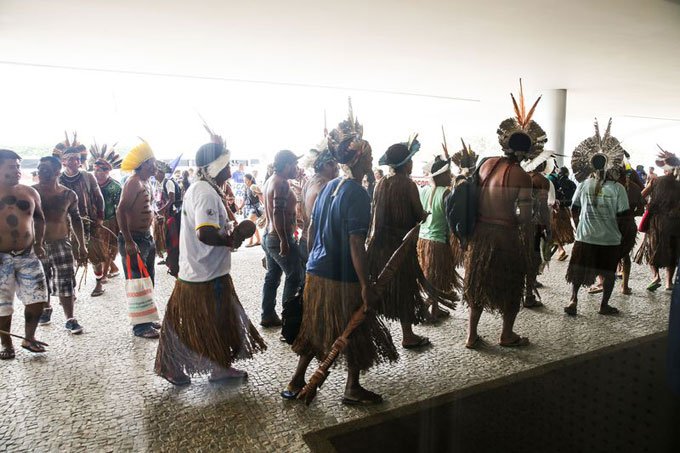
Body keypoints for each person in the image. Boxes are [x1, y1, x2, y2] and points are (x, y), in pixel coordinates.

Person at [286, 128, 398, 405]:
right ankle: (352, 388)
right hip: (343, 277)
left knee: (316, 326)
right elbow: (356, 243)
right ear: (359, 160)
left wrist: (312, 266)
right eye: (369, 157)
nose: (372, 163)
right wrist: (366, 286)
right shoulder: (357, 193)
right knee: (355, 330)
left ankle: (297, 379)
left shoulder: (328, 187)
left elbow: (311, 231)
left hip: (317, 272)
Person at [155, 140, 266, 386]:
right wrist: (232, 239)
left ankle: (217, 367)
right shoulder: (204, 192)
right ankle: (171, 365)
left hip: (206, 273)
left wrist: (232, 233)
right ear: (217, 167)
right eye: (227, 164)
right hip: (203, 275)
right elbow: (204, 233)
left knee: (214, 324)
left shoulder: (205, 188)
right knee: (192, 324)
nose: (231, 168)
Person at [464, 84, 544, 349]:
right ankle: (506, 334)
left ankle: (471, 335)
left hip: (480, 235)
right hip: (505, 236)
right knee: (511, 285)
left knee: (477, 283)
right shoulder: (521, 175)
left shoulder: (487, 164)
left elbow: (474, 195)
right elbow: (524, 215)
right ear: (525, 152)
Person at [368, 138, 447, 349]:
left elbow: (375, 216)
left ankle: (369, 330)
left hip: (380, 247)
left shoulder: (380, 184)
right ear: (406, 164)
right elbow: (418, 214)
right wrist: (424, 215)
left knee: (380, 290)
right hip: (401, 247)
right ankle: (407, 335)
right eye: (411, 160)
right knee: (404, 290)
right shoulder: (408, 185)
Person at [565, 120, 629, 316]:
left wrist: (580, 226)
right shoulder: (618, 189)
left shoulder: (584, 184)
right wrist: (619, 234)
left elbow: (574, 208)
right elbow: (624, 217)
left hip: (585, 237)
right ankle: (603, 306)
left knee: (577, 271)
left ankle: (573, 300)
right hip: (609, 240)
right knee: (608, 272)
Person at [0, 149, 48, 359]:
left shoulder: (30, 192)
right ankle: (6, 344)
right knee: (2, 304)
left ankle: (29, 337)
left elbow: (40, 218)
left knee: (38, 298)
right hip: (1, 258)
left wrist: (39, 243)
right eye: (12, 166)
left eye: (18, 166)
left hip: (27, 255)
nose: (18, 170)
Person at [33, 156, 87, 333]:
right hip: (35, 244)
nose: (41, 173)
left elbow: (76, 219)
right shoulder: (30, 193)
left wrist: (82, 245)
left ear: (57, 172)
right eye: (40, 170)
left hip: (61, 243)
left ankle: (70, 318)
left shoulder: (68, 195)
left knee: (65, 281)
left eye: (46, 170)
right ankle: (45, 309)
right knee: (41, 280)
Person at [117, 141, 159, 339]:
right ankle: (140, 327)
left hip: (146, 237)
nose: (155, 166)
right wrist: (128, 241)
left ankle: (148, 319)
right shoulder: (132, 182)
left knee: (148, 279)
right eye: (152, 162)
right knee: (137, 281)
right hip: (133, 238)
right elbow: (121, 210)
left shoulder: (146, 181)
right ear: (143, 165)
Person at [260, 150, 303, 327]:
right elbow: (278, 213)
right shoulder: (282, 183)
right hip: (278, 238)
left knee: (273, 276)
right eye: (294, 164)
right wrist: (284, 240)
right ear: (287, 165)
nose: (296, 168)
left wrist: (296, 221)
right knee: (295, 275)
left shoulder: (271, 180)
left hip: (269, 235)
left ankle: (268, 314)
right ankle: (289, 321)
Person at [417, 155, 460, 321]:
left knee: (431, 276)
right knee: (436, 278)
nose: (450, 176)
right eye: (448, 173)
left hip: (423, 240)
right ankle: (424, 307)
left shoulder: (424, 190)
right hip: (438, 242)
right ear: (441, 176)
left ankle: (435, 308)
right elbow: (451, 220)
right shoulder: (447, 193)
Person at [58, 146, 105, 274]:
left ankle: (99, 281)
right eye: (71, 159)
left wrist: (100, 217)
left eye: (77, 159)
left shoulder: (87, 176)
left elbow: (99, 197)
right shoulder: (59, 180)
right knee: (73, 253)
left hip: (89, 220)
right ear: (63, 161)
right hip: (69, 224)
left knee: (95, 253)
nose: (75, 162)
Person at [521, 151, 554, 308]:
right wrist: (548, 226)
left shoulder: (520, 177)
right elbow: (542, 206)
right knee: (533, 258)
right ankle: (528, 295)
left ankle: (518, 292)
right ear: (539, 163)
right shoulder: (542, 181)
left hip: (518, 224)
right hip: (534, 226)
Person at [89, 145, 123, 297]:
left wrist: (121, 224)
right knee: (97, 248)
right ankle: (112, 269)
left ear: (107, 171)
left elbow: (120, 207)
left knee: (108, 247)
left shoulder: (115, 187)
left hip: (110, 220)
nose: (96, 173)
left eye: (100, 170)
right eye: (95, 170)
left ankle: (104, 273)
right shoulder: (90, 184)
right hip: (93, 220)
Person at [644, 150, 680, 291]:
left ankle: (655, 276)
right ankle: (668, 283)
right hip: (675, 223)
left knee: (652, 248)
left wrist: (648, 204)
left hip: (657, 222)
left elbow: (642, 195)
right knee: (672, 249)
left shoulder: (655, 181)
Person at [299, 145, 338, 264]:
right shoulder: (325, 186)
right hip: (316, 244)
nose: (337, 170)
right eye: (335, 166)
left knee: (303, 282)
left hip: (304, 240)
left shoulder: (309, 182)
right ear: (326, 165)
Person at [154, 161, 182, 276]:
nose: (155, 174)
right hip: (162, 214)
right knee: (162, 236)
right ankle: (167, 256)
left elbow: (171, 199)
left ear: (161, 173)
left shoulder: (168, 182)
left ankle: (173, 257)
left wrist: (163, 210)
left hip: (170, 215)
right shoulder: (157, 183)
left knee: (170, 236)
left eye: (157, 172)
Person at [552, 167, 577, 261]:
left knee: (554, 230)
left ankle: (560, 249)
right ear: (567, 173)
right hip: (565, 210)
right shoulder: (571, 183)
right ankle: (560, 250)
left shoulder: (554, 181)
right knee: (562, 231)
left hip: (556, 210)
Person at [239, 174, 264, 247]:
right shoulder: (246, 187)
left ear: (251, 180)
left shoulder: (253, 187)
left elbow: (260, 196)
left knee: (250, 223)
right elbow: (245, 200)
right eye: (244, 180)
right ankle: (258, 240)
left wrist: (265, 206)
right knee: (252, 224)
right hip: (248, 208)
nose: (245, 182)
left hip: (255, 208)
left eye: (246, 180)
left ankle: (251, 241)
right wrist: (240, 208)